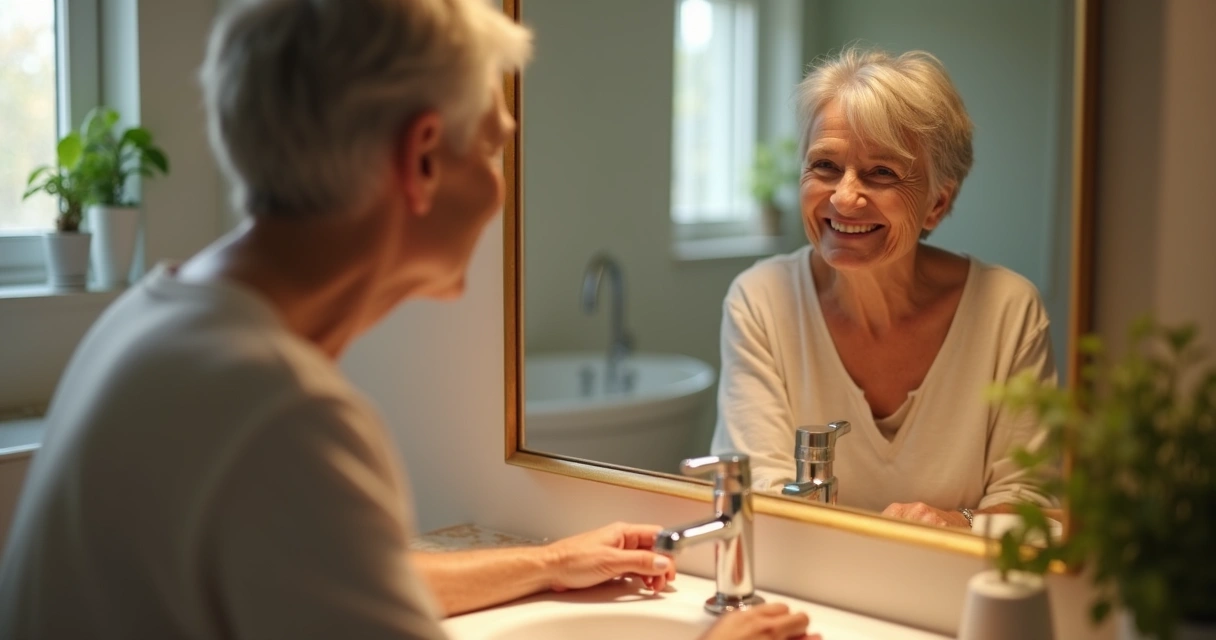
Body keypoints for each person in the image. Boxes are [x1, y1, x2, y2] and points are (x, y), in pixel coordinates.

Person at [0, 1, 812, 639]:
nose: (500, 188)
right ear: (422, 158)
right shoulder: (281, 412)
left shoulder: (158, 321)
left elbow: (335, 567)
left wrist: (546, 562)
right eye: (493, 149)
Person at [710, 47, 1056, 529]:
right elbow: (755, 491)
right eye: (825, 166)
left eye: (882, 172)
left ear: (937, 204)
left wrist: (953, 522)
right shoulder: (761, 301)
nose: (844, 196)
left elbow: (1031, 500)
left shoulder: (1007, 311)